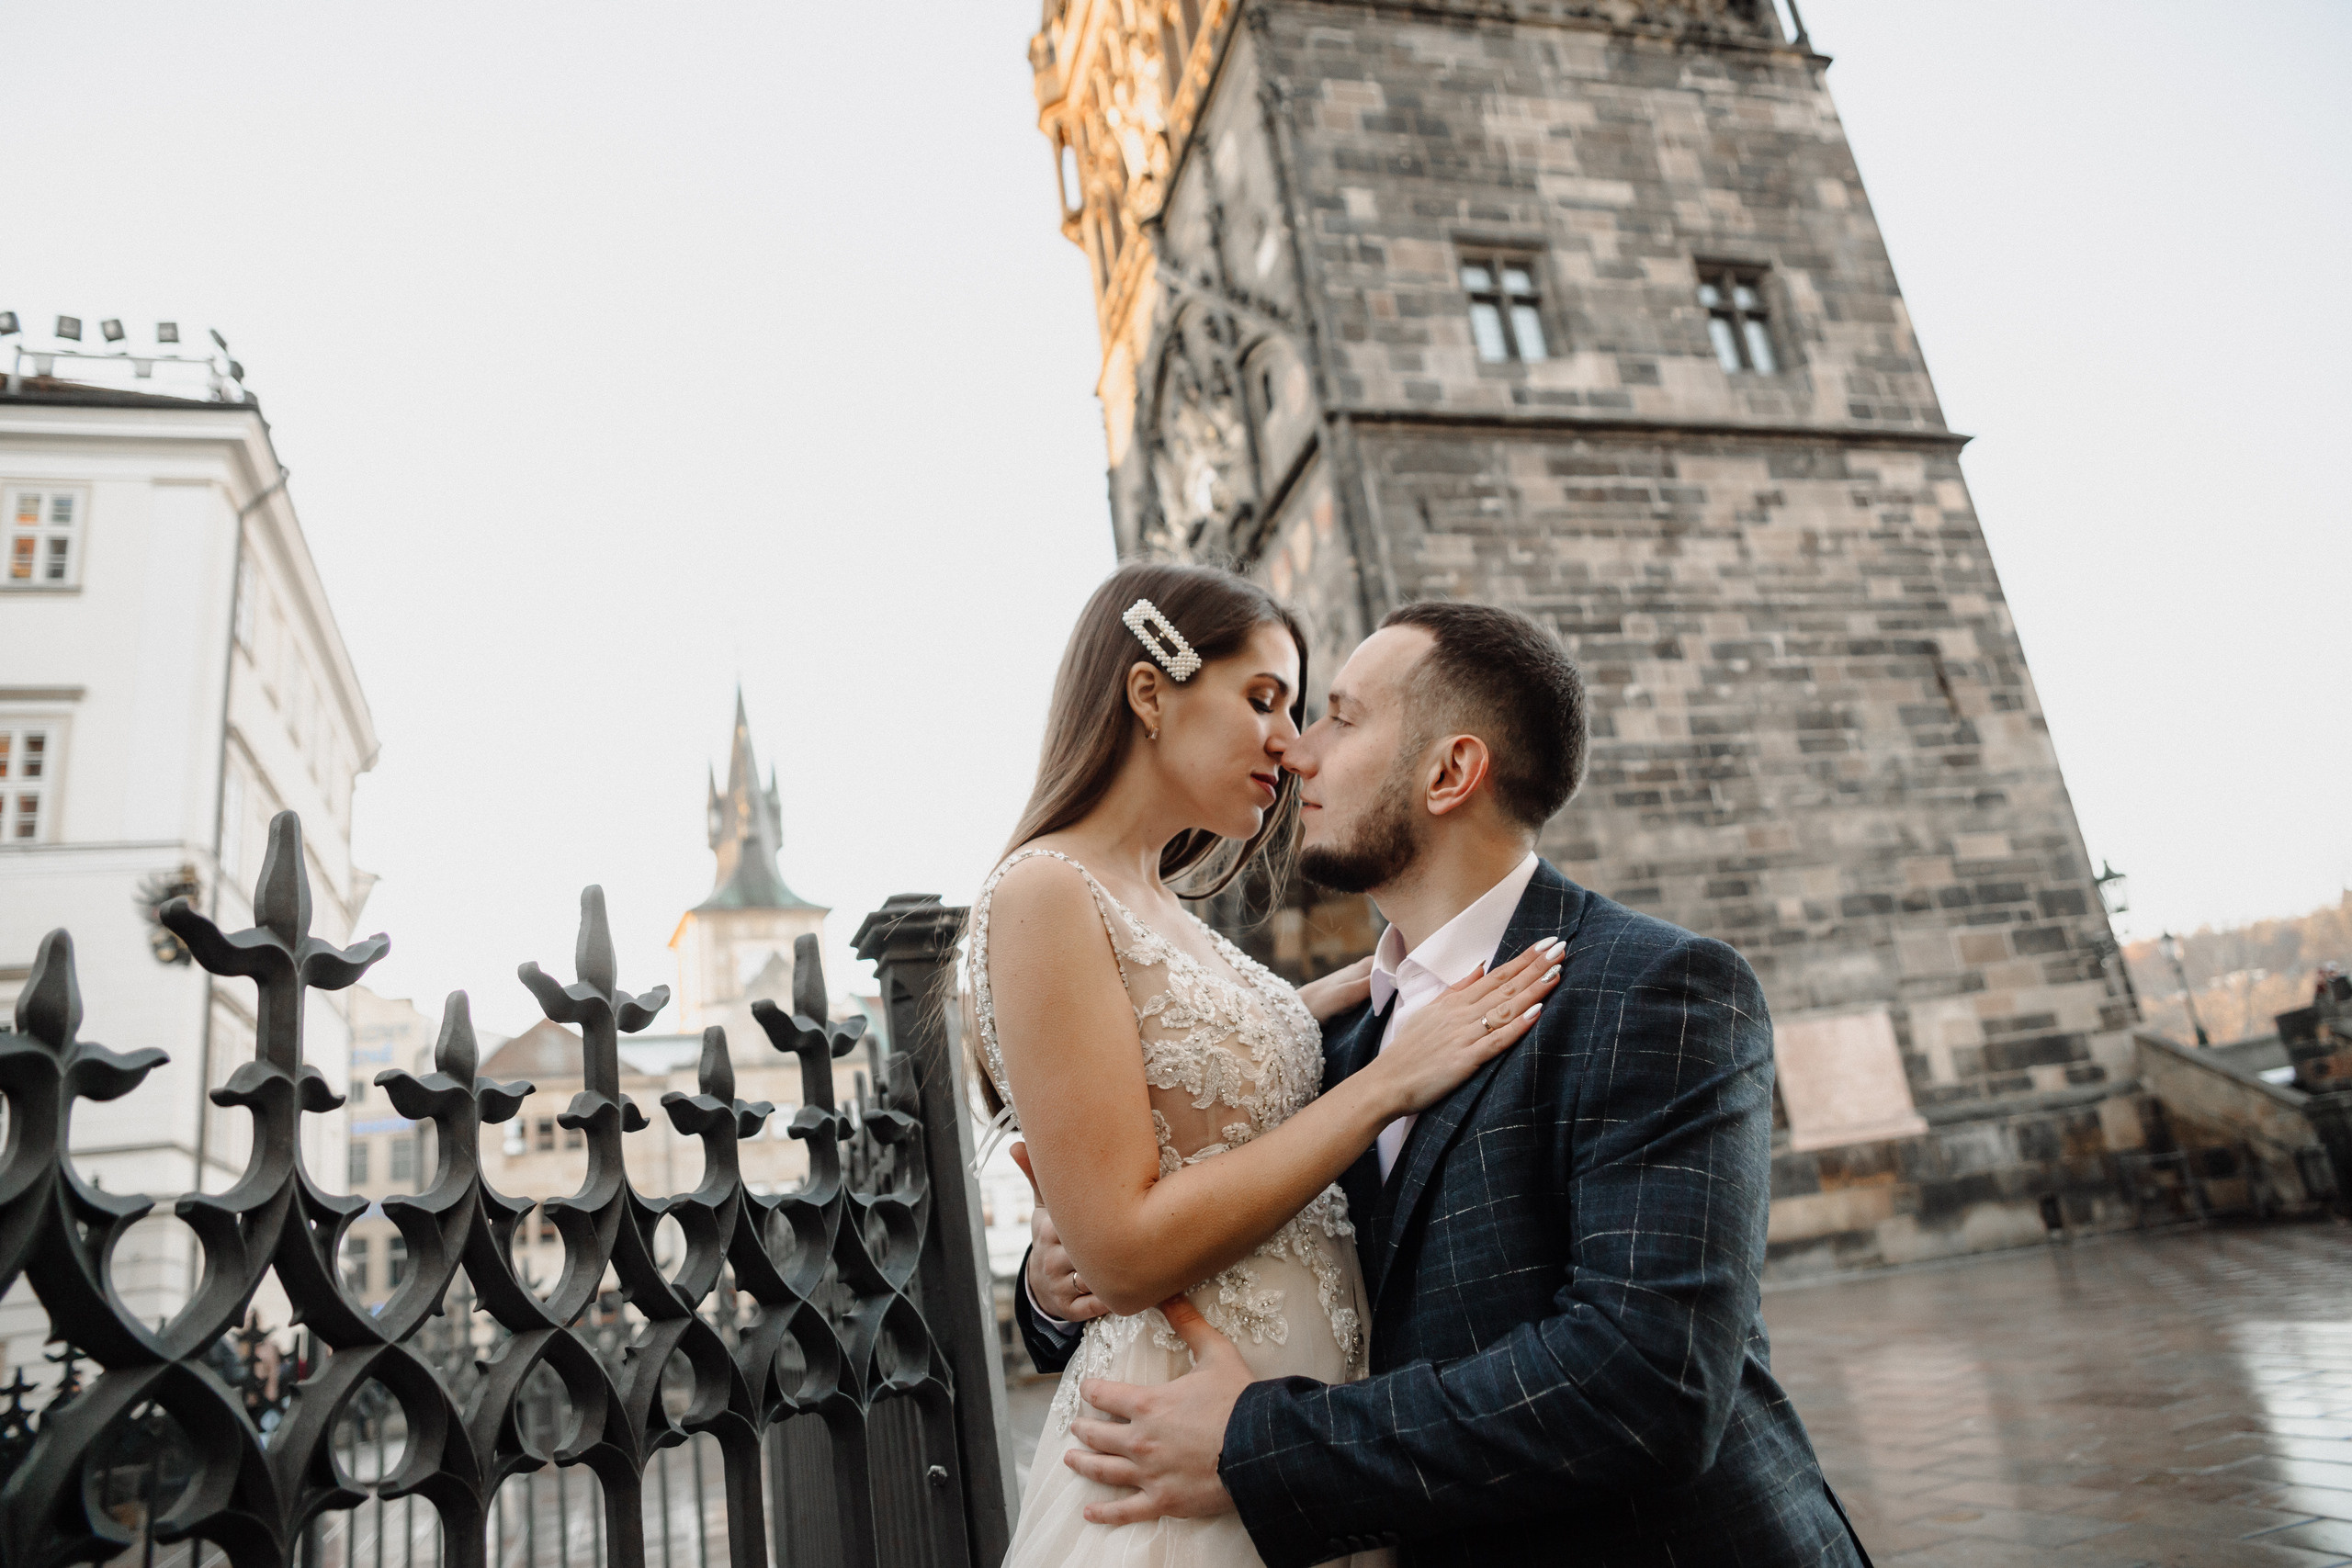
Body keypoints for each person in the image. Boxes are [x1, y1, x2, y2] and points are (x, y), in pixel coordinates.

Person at [1017, 600, 1872, 1567]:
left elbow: (1645, 1386)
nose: (1297, 754)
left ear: (1450, 771)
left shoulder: (1658, 990)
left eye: (1338, 717)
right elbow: (1225, 1246)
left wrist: (1262, 1444)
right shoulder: (1326, 1044)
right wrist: (1060, 1280)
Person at [972, 563, 1566, 1568]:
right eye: (1263, 701)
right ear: (1150, 692)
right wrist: (1386, 1079)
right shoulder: (1045, 890)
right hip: (1182, 1455)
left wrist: (1321, 1001)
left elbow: (1181, 1079)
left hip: (1315, 1438)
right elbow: (1117, 1252)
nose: (1291, 746)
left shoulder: (1166, 910)